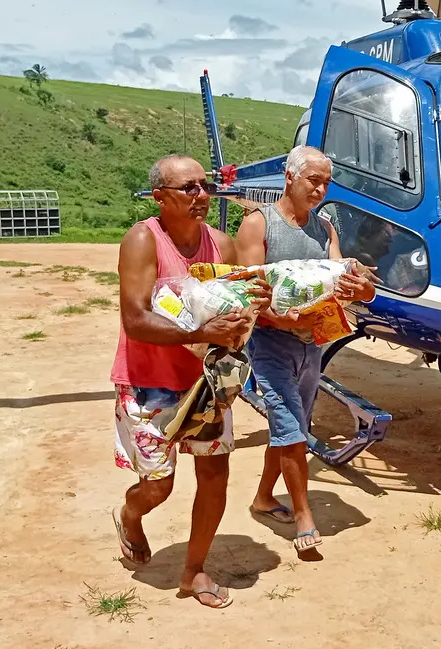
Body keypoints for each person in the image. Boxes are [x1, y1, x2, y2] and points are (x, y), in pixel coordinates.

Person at [111, 153, 267, 609]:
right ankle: (130, 515)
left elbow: (242, 308)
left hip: (206, 384)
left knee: (214, 475)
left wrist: (259, 304)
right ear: (160, 196)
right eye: (189, 188)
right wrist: (200, 333)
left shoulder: (221, 243)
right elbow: (135, 319)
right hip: (150, 382)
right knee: (158, 486)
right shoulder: (142, 240)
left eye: (206, 185)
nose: (202, 195)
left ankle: (194, 570)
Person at [235, 145, 375, 555]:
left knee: (289, 428)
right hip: (270, 345)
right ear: (290, 177)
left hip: (312, 346)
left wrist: (361, 289)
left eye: (327, 182)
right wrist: (286, 320)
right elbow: (250, 296)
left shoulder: (325, 229)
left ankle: (263, 497)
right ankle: (303, 515)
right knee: (294, 430)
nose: (321, 188)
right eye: (314, 179)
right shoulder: (258, 226)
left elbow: (340, 278)